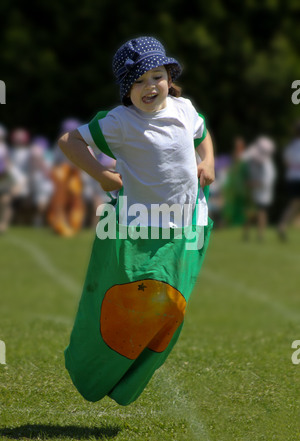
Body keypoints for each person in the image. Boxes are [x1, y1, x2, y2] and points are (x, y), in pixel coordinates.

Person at [58, 36, 215, 406]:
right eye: (139, 81)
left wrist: (206, 161)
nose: (150, 87)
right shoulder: (120, 122)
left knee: (171, 311)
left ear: (169, 78)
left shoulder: (184, 109)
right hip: (139, 228)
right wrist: (100, 173)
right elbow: (70, 141)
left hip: (184, 225)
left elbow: (202, 134)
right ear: (127, 90)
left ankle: (127, 382)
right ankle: (92, 371)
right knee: (129, 308)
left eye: (157, 77)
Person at [242, 136, 277, 241]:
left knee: (261, 211)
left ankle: (260, 235)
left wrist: (252, 184)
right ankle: (247, 233)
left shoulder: (268, 166)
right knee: (251, 212)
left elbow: (266, 182)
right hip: (252, 191)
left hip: (262, 192)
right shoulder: (251, 159)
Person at [277, 121, 300, 241]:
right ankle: (282, 225)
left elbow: (286, 162)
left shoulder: (290, 146)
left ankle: (284, 224)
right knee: (295, 203)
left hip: (291, 177)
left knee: (294, 203)